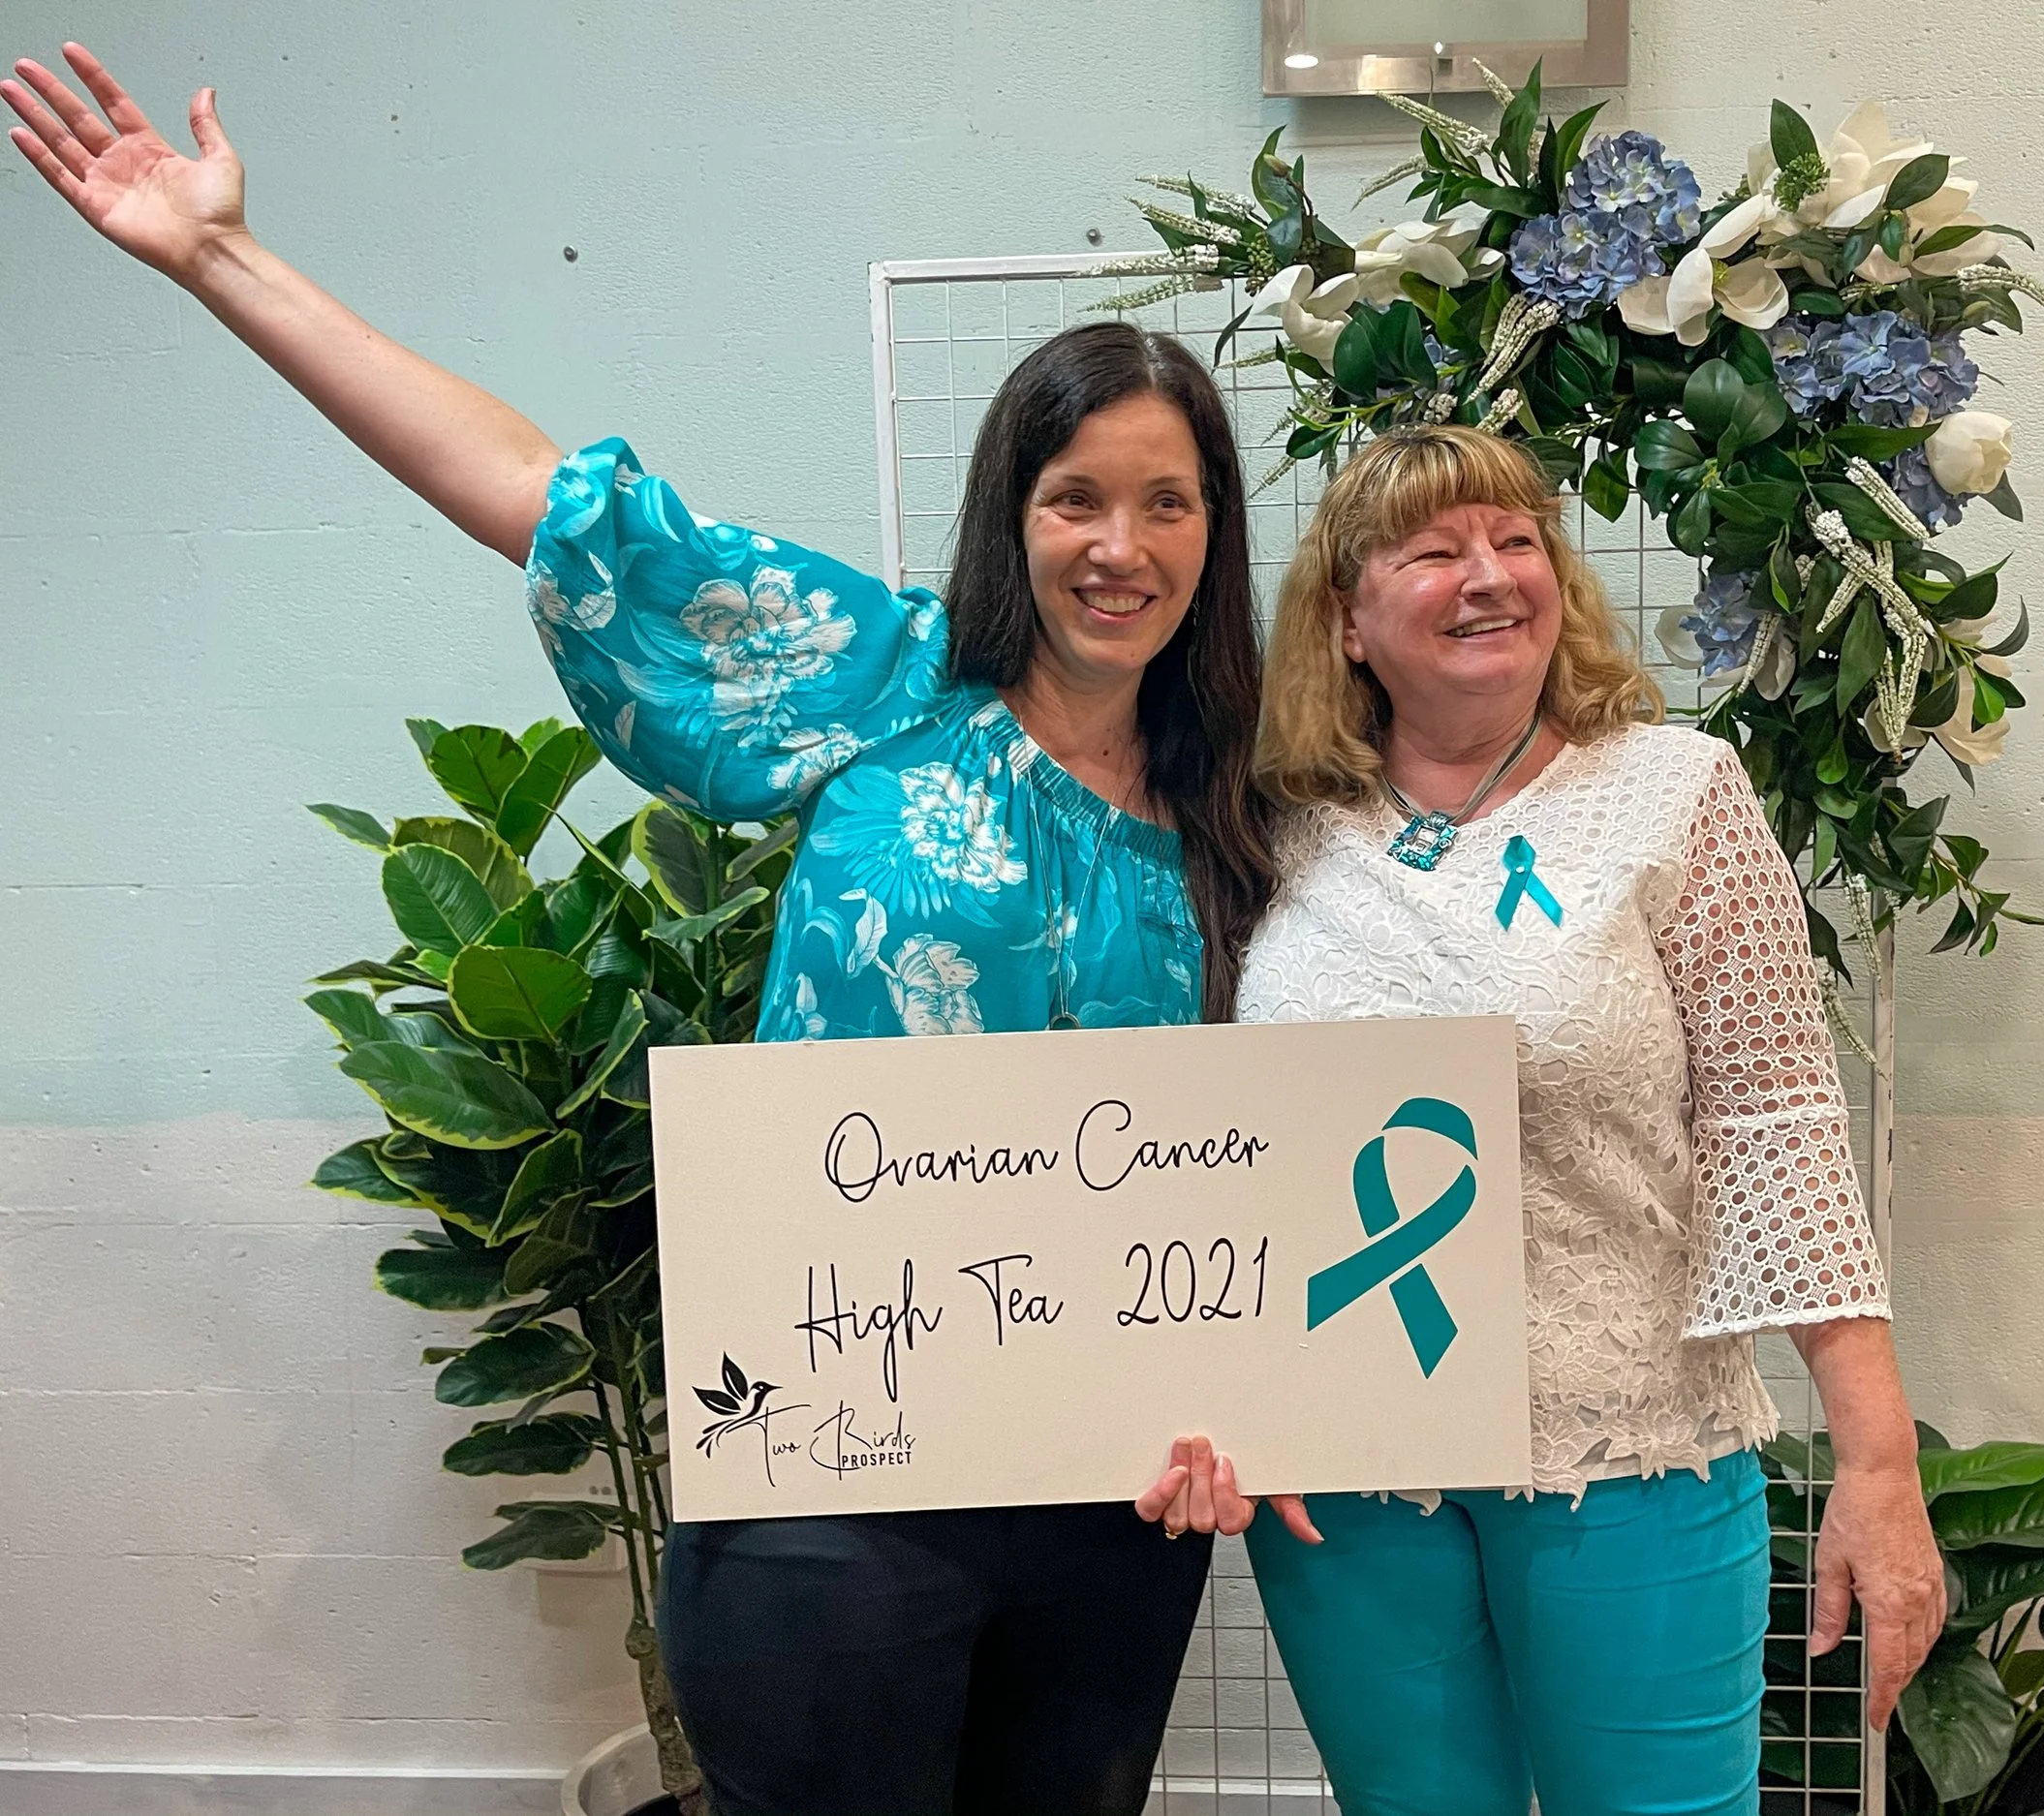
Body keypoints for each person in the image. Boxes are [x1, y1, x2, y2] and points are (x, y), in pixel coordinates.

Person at [5, 44, 1308, 1816]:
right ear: (1012, 512)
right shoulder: (876, 682)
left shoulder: (1248, 814)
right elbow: (548, 499)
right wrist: (222, 259)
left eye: (1169, 501)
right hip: (832, 1491)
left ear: (1216, 535)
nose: (1119, 543)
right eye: (1077, 493)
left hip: (1115, 1514)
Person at [1229, 424, 1947, 1816]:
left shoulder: (1674, 790)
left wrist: (1878, 1455)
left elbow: (1778, 1120)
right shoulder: (1273, 826)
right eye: (1434, 551)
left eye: (1517, 541)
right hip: (1351, 1479)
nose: (1489, 574)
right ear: (1348, 619)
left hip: (1630, 1449)